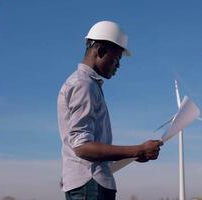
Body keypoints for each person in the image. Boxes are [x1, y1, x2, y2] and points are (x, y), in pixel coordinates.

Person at [57, 20, 163, 200]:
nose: (118, 65)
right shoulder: (84, 84)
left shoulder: (85, 84)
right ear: (100, 51)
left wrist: (133, 155)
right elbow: (83, 148)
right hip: (90, 185)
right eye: (116, 58)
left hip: (87, 185)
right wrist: (138, 150)